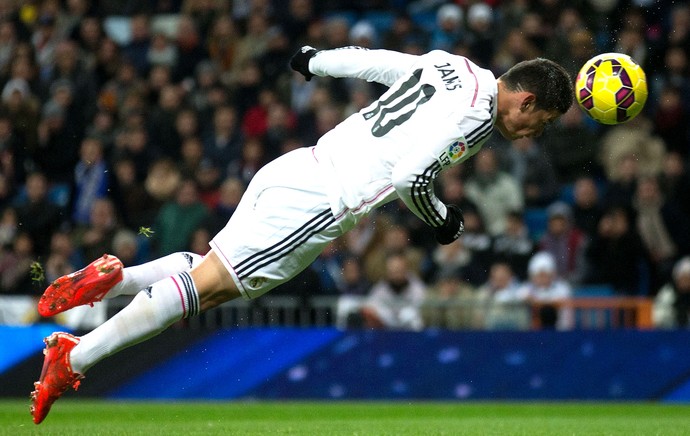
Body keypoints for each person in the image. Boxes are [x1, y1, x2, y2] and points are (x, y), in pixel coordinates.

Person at [29, 45, 573, 424]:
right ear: (527, 102)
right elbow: (412, 178)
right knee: (213, 287)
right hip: (322, 203)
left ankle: (119, 278)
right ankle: (74, 359)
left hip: (300, 164)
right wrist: (443, 220)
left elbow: (378, 64)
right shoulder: (478, 120)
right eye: (541, 122)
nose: (533, 133)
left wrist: (316, 61)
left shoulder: (453, 65)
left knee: (207, 265)